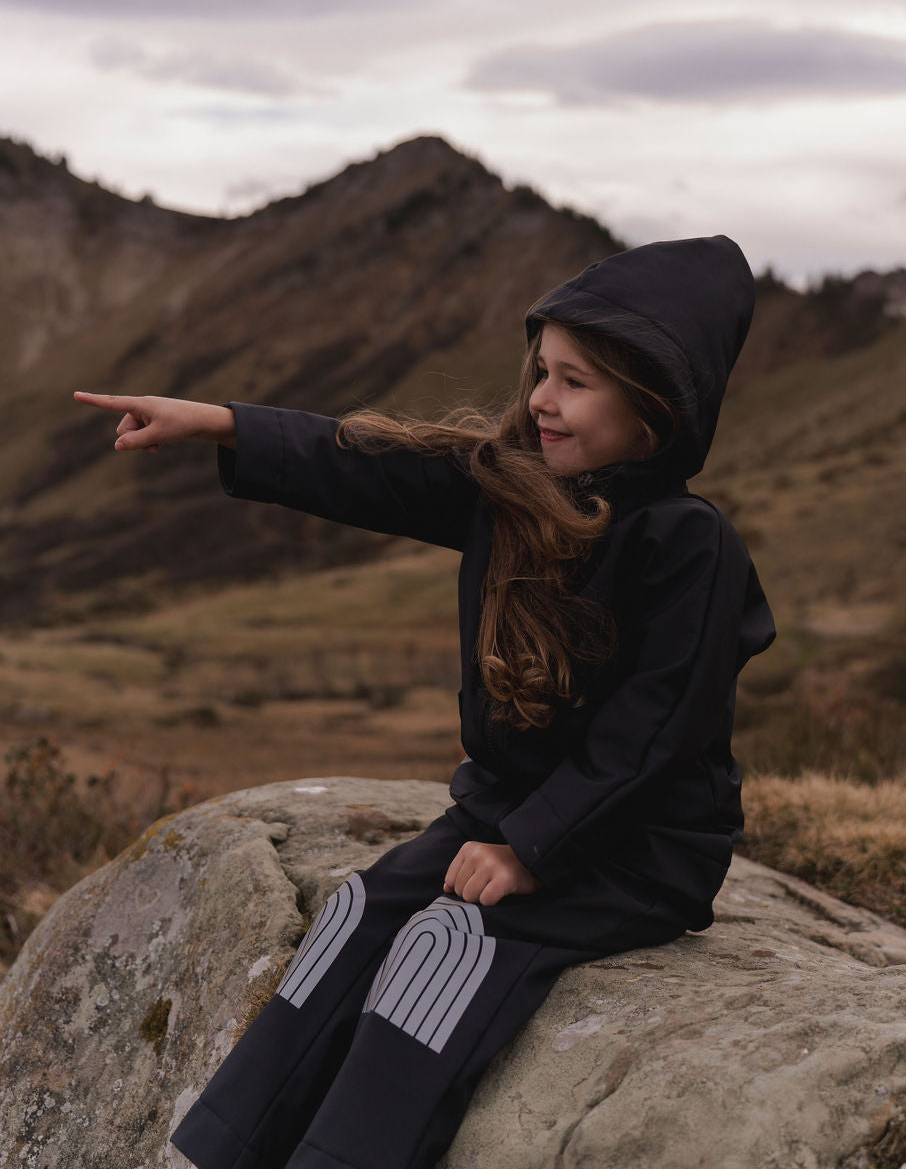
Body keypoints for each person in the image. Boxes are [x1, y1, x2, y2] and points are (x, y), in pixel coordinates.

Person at [74, 233, 774, 1169]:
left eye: (575, 382)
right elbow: (360, 463)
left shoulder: (690, 545)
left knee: (440, 945)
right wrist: (220, 423)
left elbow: (654, 737)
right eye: (542, 372)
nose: (540, 400)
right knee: (357, 912)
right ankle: (217, 1150)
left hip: (633, 849)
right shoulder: (514, 490)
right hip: (508, 816)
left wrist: (530, 849)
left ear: (654, 408)